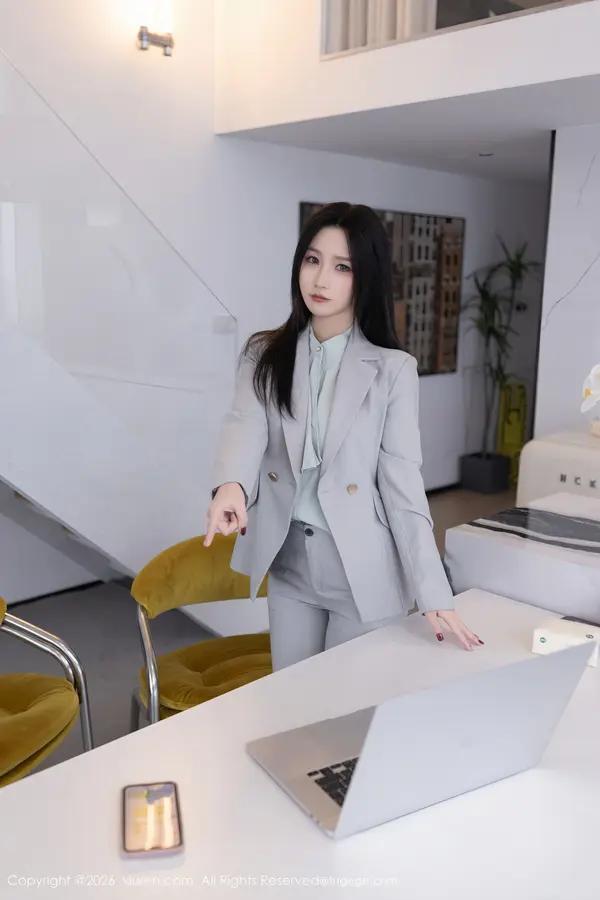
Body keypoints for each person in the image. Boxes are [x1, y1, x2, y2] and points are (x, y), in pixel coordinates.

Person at [204, 202, 483, 670]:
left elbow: (402, 485)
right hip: (291, 561)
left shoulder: (393, 370)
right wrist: (230, 486)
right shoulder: (264, 355)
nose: (320, 280)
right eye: (312, 260)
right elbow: (244, 426)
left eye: (342, 267)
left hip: (363, 569)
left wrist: (434, 591)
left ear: (366, 276)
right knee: (293, 694)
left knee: (343, 704)